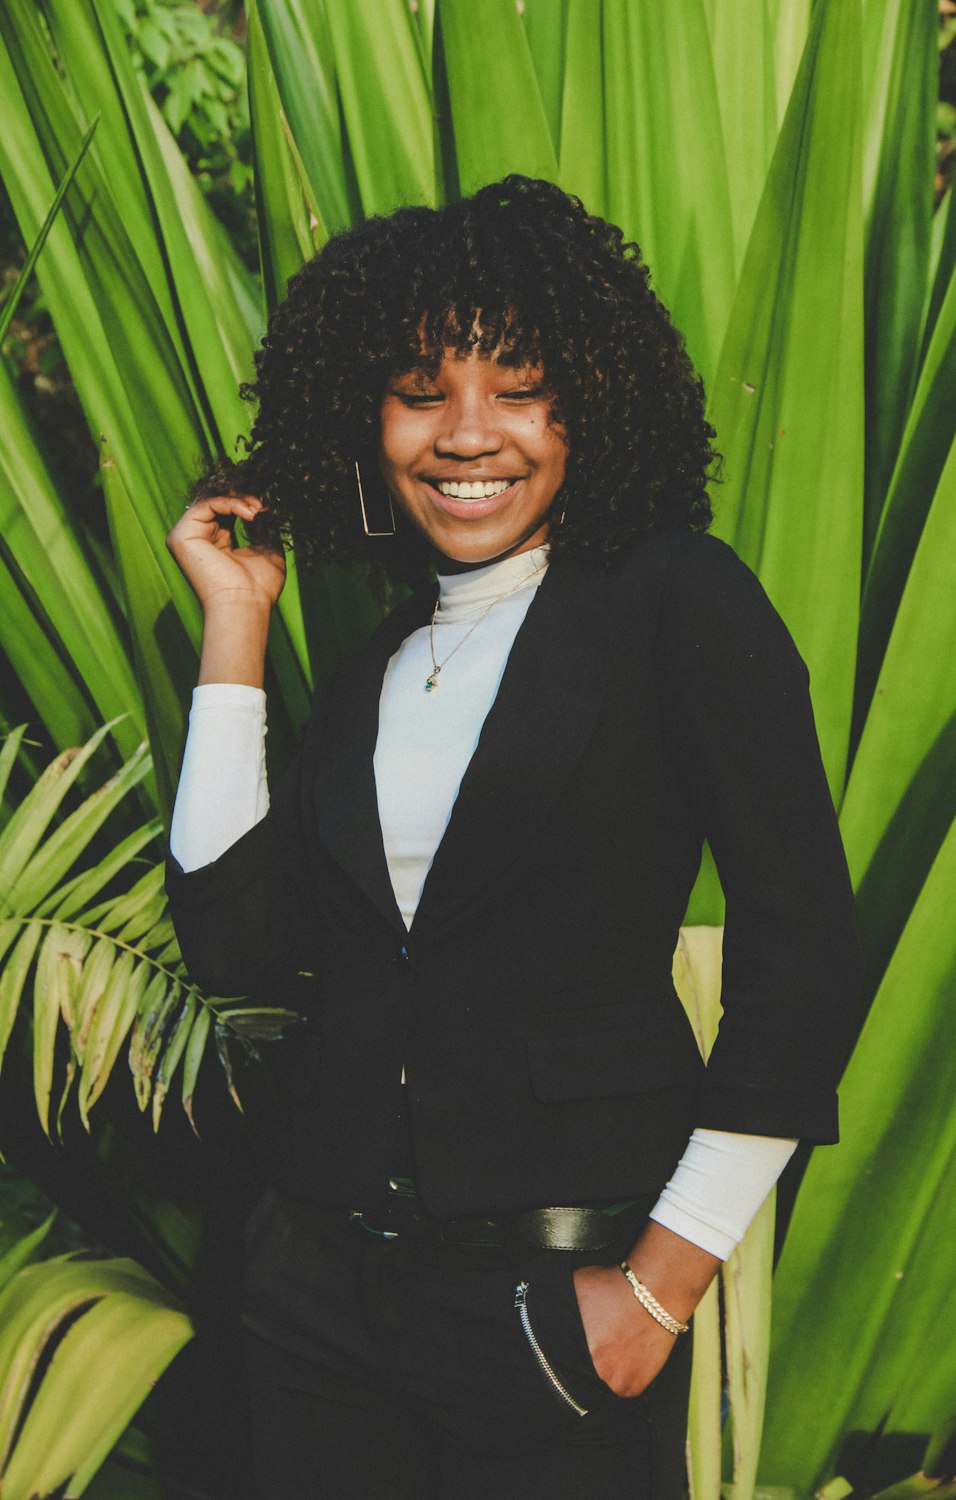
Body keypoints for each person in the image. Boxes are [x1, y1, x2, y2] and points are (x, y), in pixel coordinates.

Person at [164, 176, 862, 1499]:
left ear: (589, 401)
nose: (467, 433)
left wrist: (659, 1291)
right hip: (312, 1296)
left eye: (519, 385)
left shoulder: (674, 599)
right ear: (364, 420)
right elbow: (238, 943)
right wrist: (236, 620)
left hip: (554, 1314)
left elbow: (806, 950)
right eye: (421, 389)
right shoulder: (380, 661)